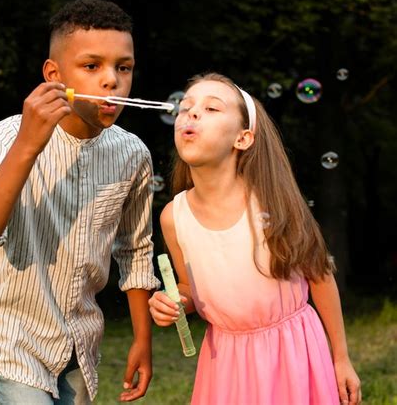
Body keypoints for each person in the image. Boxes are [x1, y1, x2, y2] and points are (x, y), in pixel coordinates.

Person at [0, 0, 160, 404]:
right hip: (12, 338)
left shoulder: (133, 154)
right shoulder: (8, 135)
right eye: (92, 66)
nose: (111, 81)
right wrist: (28, 146)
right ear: (54, 74)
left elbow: (135, 250)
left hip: (80, 342)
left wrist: (143, 339)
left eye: (123, 67)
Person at [148, 73, 361, 405]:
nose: (191, 113)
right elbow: (189, 289)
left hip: (293, 351)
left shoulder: (272, 201)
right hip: (227, 362)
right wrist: (174, 303)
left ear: (243, 138)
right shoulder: (173, 218)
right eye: (185, 107)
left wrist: (341, 357)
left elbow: (319, 275)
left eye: (211, 108)